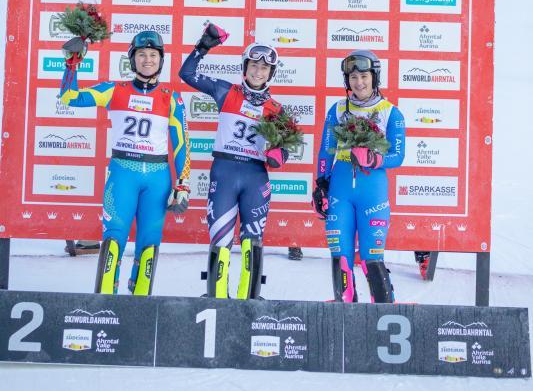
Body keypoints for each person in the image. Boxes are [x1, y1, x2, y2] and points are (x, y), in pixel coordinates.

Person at [60, 30, 190, 295]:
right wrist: (72, 64)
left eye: (153, 55)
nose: (147, 60)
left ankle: (140, 302)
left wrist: (183, 183)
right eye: (141, 54)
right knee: (114, 237)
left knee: (149, 242)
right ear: (132, 59)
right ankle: (107, 299)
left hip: (157, 178)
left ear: (161, 60)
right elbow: (69, 98)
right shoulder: (114, 90)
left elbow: (181, 144)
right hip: (123, 174)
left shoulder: (171, 97)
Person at [179, 23, 288, 299]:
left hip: (255, 176)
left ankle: (249, 300)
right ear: (244, 67)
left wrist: (279, 155)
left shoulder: (277, 109)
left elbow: (286, 147)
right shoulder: (226, 91)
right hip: (225, 172)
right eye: (254, 66)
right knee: (221, 237)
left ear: (271, 73)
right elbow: (186, 74)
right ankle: (217, 298)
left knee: (253, 240)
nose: (258, 72)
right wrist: (203, 47)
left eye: (264, 68)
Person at [313, 50, 405, 303]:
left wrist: (374, 159)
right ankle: (344, 310)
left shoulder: (391, 113)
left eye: (364, 76)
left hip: (372, 191)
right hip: (340, 191)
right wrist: (321, 185)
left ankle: (384, 311)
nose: (359, 82)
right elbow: (325, 151)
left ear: (375, 77)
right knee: (340, 255)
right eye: (353, 77)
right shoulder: (338, 109)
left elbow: (398, 156)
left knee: (371, 257)